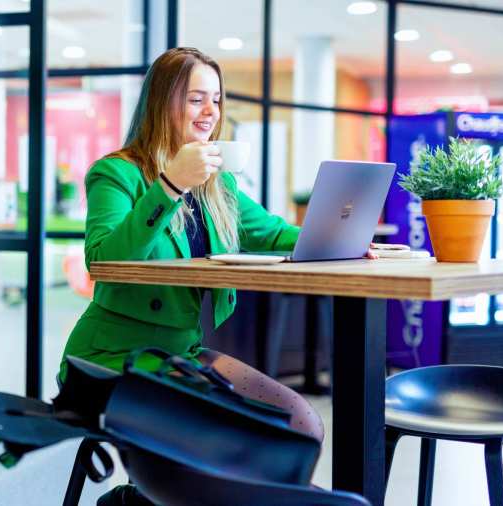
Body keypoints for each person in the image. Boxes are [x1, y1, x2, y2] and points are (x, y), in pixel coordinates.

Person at [58, 47, 329, 444]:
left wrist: (338, 241)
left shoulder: (218, 184)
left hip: (181, 355)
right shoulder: (116, 173)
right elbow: (103, 261)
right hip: (110, 361)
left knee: (299, 422)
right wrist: (170, 184)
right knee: (226, 432)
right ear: (162, 103)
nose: (211, 112)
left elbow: (271, 232)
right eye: (196, 99)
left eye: (216, 100)